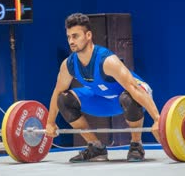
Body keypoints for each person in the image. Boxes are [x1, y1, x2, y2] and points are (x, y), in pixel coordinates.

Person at [45, 13, 160, 162]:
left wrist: (158, 120)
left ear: (88, 35)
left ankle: (136, 144)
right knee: (63, 99)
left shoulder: (107, 61)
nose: (71, 41)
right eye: (69, 37)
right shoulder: (69, 65)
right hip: (103, 99)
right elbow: (57, 92)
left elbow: (134, 89)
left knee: (128, 97)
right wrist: (50, 122)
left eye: (75, 36)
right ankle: (96, 147)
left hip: (135, 95)